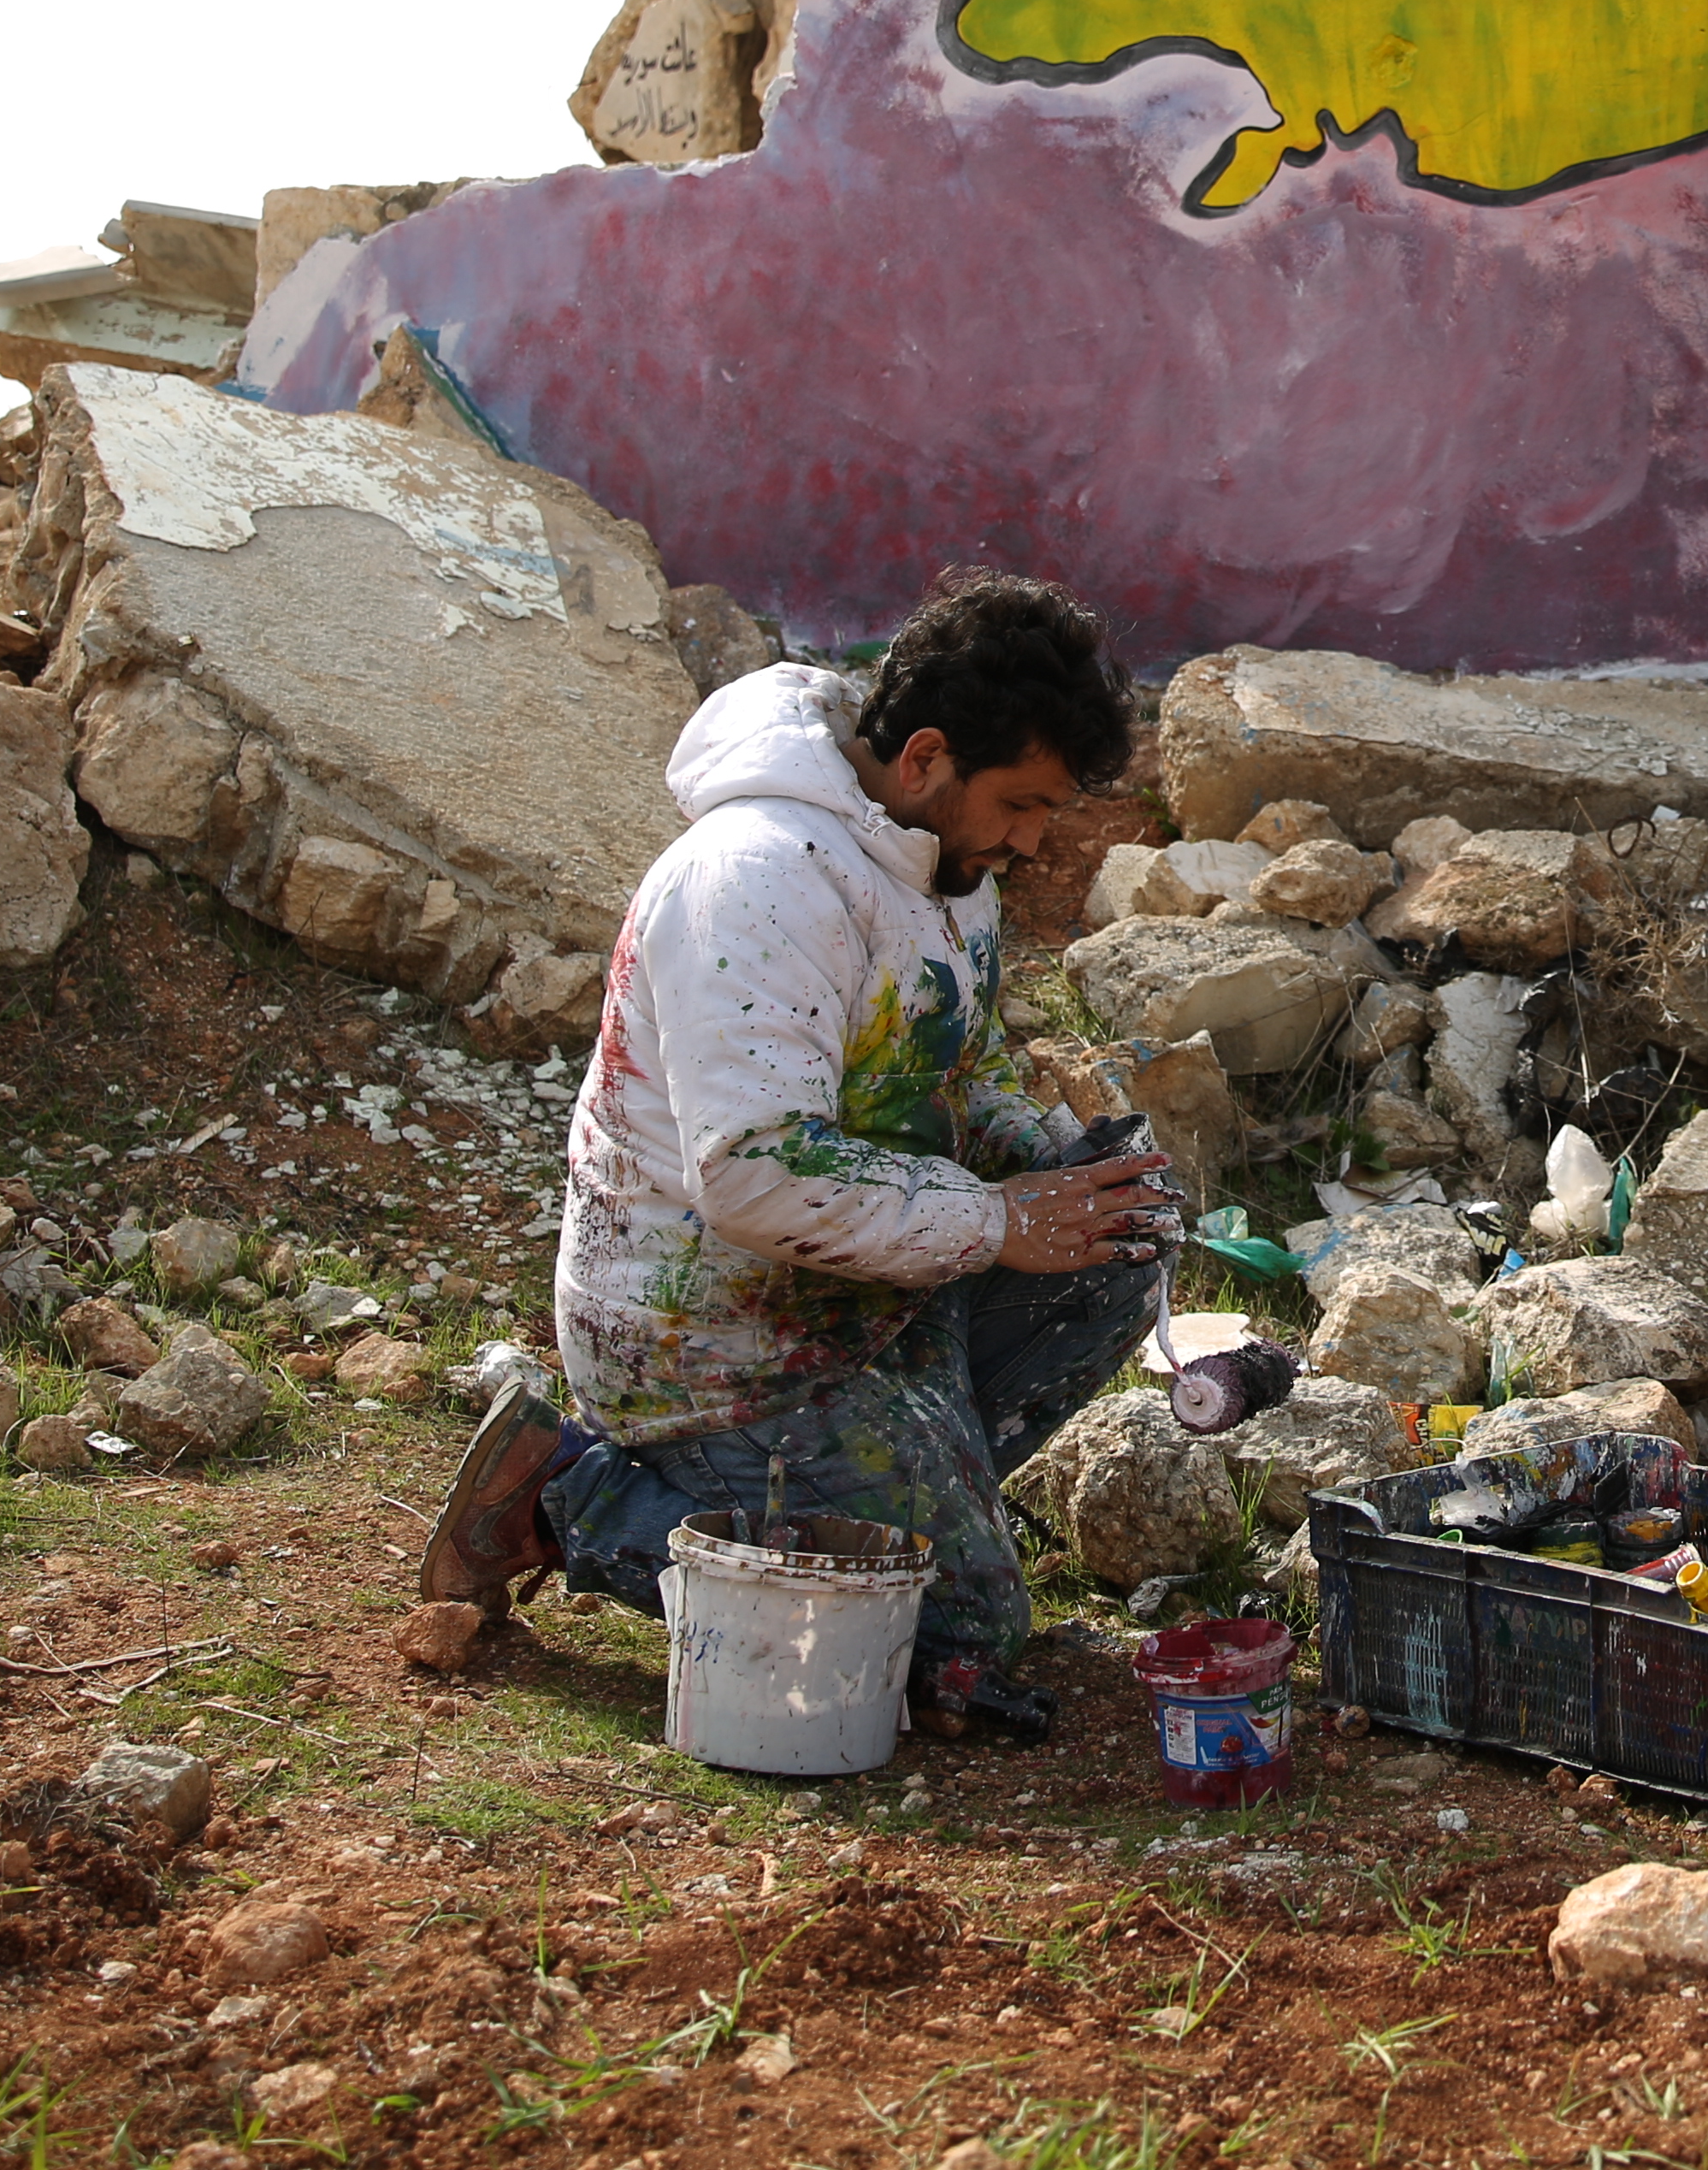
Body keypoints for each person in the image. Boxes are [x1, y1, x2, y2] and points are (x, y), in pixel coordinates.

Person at [420, 568, 1175, 1741]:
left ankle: (893, 1487)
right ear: (925, 758)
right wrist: (1001, 1221)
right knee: (954, 1633)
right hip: (713, 1347)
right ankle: (576, 1498)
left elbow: (950, 1079)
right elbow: (756, 1173)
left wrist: (1071, 1171)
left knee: (1113, 1256)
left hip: (862, 1295)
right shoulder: (757, 880)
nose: (1035, 842)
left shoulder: (945, 868)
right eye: (1023, 804)